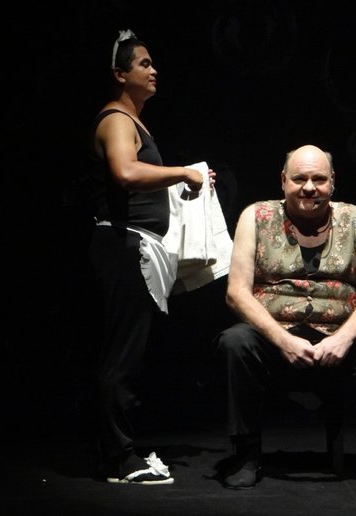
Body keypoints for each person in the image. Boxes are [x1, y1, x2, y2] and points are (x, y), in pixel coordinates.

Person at [214, 144, 356, 490]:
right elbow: (236, 292)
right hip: (275, 341)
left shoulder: (355, 219)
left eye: (319, 179)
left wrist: (343, 338)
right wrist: (283, 340)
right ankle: (246, 454)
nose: (309, 187)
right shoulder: (256, 217)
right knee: (235, 341)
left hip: (339, 342)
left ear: (332, 181)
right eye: (299, 178)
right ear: (283, 181)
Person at [87, 29, 214, 485]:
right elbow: (125, 171)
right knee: (123, 355)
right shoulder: (116, 119)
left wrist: (185, 181)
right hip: (124, 247)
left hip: (133, 246)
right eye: (143, 63)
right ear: (120, 74)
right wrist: (182, 172)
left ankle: (122, 450)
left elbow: (140, 177)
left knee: (131, 354)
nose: (153, 70)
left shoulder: (133, 121)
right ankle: (119, 458)